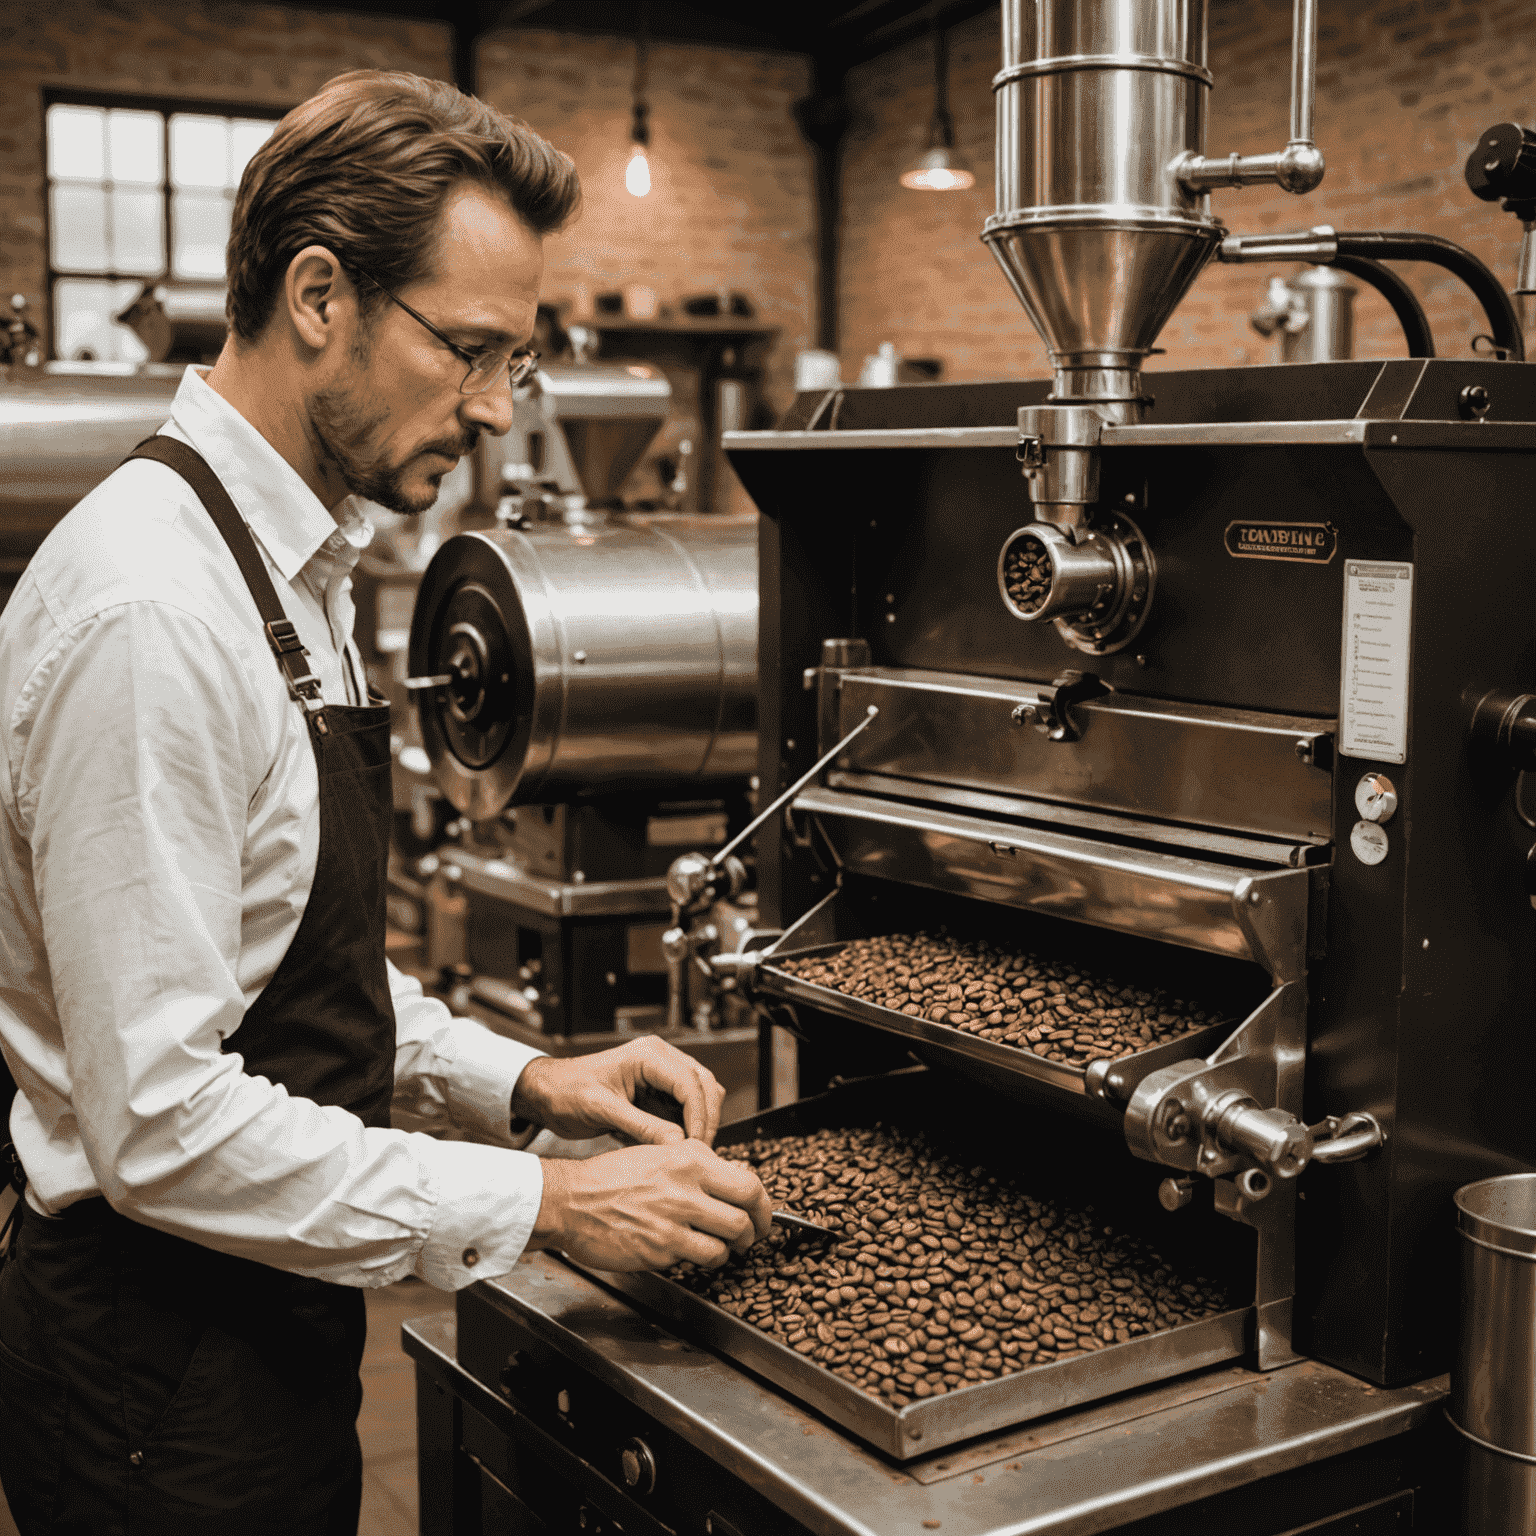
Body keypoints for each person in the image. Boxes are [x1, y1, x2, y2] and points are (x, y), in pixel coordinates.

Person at [0, 70, 771, 1536]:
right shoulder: (156, 614)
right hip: (153, 1380)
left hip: (264, 1323)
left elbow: (286, 968)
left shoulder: (290, 567)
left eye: (517, 364)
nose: (493, 410)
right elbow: (159, 1121)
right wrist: (546, 1202)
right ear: (317, 296)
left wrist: (529, 1085)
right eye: (469, 351)